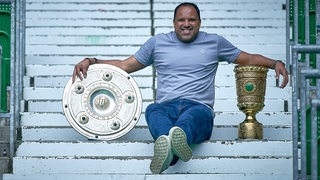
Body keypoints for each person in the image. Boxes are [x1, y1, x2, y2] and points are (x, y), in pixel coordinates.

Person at [72, 2, 289, 174]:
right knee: (152, 110)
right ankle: (172, 145)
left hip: (199, 108)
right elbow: (124, 65)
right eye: (182, 20)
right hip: (166, 109)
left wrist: (274, 63)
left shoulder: (214, 42)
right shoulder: (157, 43)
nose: (187, 24)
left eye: (191, 19)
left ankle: (172, 142)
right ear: (174, 22)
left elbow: (248, 58)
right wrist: (91, 60)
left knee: (192, 117)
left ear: (200, 22)